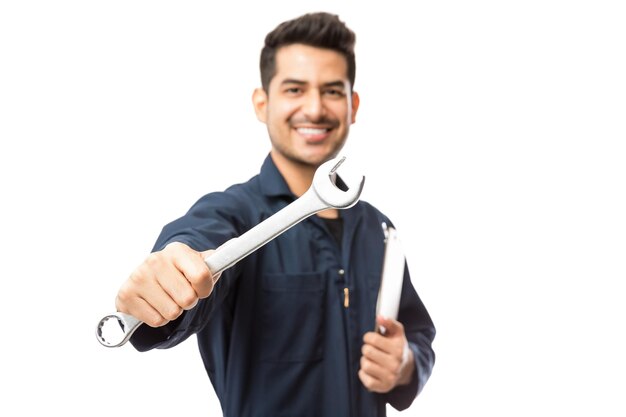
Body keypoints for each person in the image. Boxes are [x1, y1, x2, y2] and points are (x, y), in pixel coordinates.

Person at [115, 12, 435, 417]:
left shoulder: (379, 228)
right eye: (295, 89)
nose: (315, 108)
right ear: (262, 103)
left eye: (333, 91)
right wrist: (165, 279)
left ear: (353, 105)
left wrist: (405, 363)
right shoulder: (234, 215)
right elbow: (196, 245)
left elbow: (419, 334)